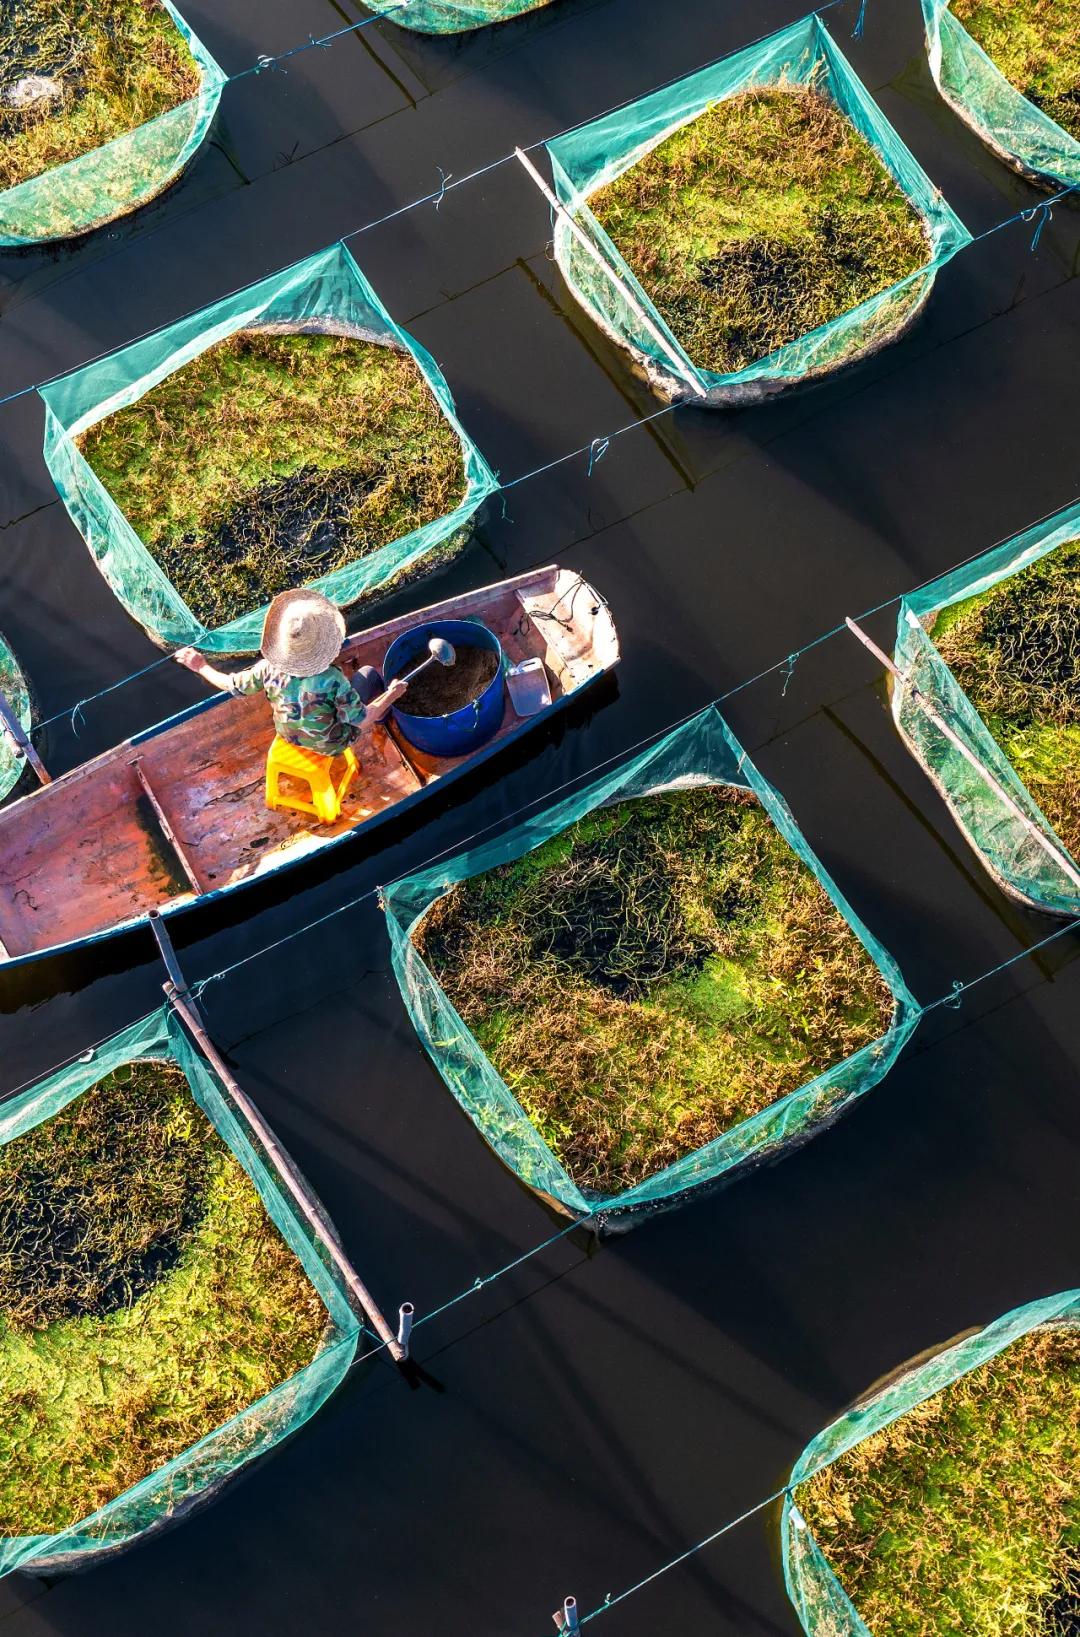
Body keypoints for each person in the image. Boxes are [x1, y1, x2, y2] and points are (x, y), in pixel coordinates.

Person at [174, 589, 406, 757]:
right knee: (368, 674)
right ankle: (386, 717)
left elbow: (231, 685)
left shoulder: (267, 666)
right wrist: (392, 695)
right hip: (333, 745)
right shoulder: (332, 680)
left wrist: (200, 665)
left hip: (289, 736)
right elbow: (361, 720)